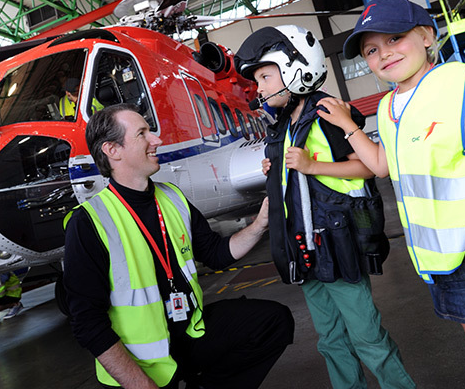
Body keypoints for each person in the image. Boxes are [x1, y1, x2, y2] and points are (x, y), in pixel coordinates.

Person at [318, 0, 465, 388]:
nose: (384, 53)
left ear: (426, 35)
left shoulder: (459, 80)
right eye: (371, 50)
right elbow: (382, 165)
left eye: (394, 39)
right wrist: (348, 125)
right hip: (439, 253)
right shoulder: (389, 106)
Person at [63, 103, 294, 389]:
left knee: (272, 322)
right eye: (142, 133)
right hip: (143, 362)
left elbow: (215, 254)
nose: (157, 139)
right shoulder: (88, 223)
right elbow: (88, 323)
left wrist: (259, 224)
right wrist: (141, 385)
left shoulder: (171, 197)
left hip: (188, 332)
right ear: (113, 150)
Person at [234, 25, 415, 389]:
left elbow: (368, 167)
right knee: (330, 341)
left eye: (266, 76)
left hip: (339, 247)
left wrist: (312, 166)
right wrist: (278, 170)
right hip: (306, 252)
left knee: (368, 339)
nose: (261, 87)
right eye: (258, 80)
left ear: (295, 69)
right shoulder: (284, 124)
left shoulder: (328, 113)